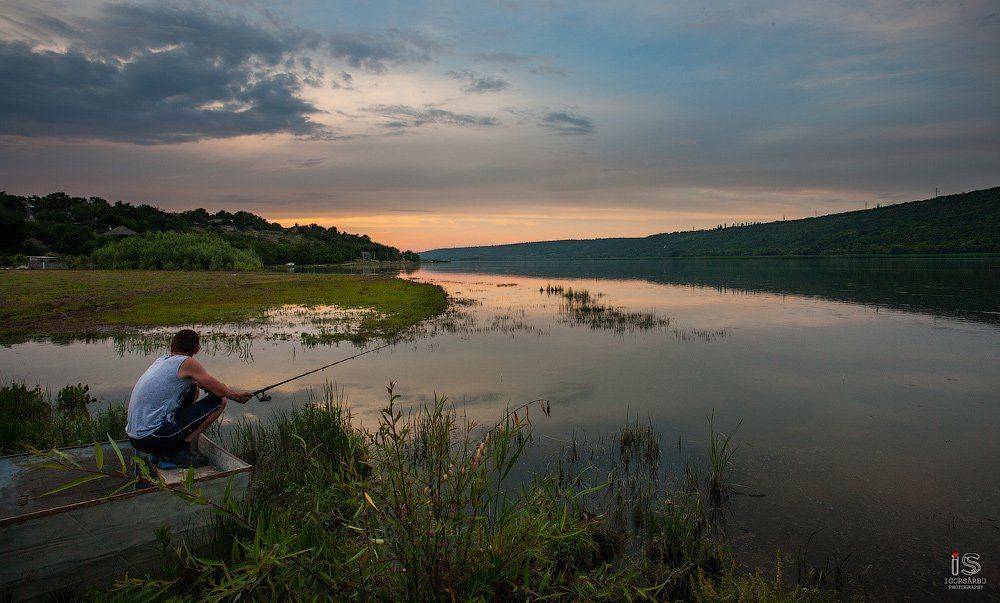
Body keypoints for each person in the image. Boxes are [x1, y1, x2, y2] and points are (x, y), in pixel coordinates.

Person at [126, 329, 251, 469]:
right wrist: (236, 396)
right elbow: (220, 391)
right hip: (153, 438)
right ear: (197, 348)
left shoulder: (162, 360)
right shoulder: (187, 363)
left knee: (193, 388)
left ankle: (163, 451)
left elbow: (202, 384)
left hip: (135, 438)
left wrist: (207, 386)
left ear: (172, 346)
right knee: (220, 401)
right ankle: (179, 451)